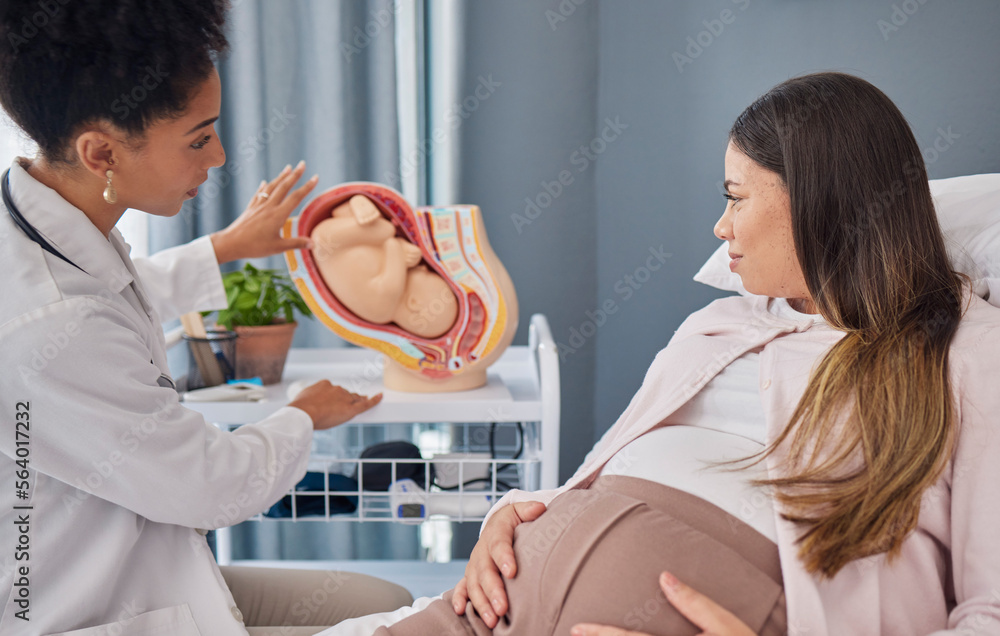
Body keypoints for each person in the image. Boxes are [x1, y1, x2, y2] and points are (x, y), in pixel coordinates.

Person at [321, 72, 1000, 636]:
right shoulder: (717, 327)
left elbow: (988, 612)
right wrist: (514, 515)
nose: (720, 226)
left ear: (823, 205)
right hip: (491, 610)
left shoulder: (966, 355)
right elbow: (599, 474)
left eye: (735, 197)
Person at [0, 2, 413, 635]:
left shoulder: (36, 227)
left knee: (384, 601)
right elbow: (213, 488)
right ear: (101, 152)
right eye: (199, 137)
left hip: (135, 564)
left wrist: (228, 247)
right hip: (75, 609)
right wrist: (305, 415)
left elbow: (115, 301)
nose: (219, 156)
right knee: (399, 622)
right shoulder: (51, 325)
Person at [310, 194, 459, 339]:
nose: (423, 268)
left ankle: (356, 205)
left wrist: (400, 249)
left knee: (387, 230)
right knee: (380, 230)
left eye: (426, 275)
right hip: (338, 242)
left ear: (414, 303)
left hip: (327, 239)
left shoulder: (388, 297)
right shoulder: (381, 315)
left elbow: (391, 244)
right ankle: (349, 211)